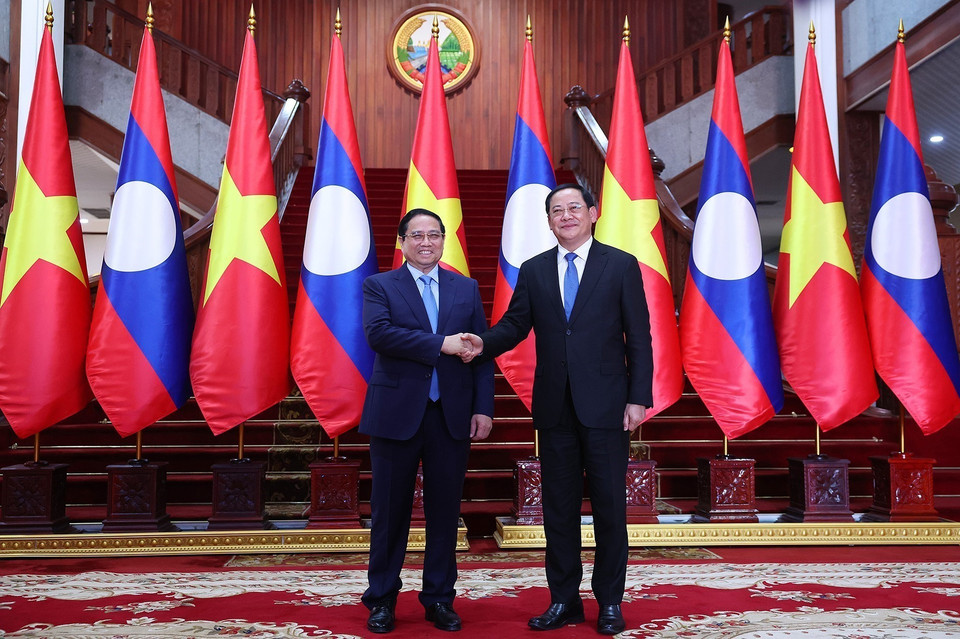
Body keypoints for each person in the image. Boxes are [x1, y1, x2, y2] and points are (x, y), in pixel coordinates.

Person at [460, 184, 652, 635]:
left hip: (607, 407)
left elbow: (639, 336)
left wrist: (638, 396)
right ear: (548, 220)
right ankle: (564, 600)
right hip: (554, 408)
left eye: (573, 208)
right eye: (556, 211)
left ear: (592, 212)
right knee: (558, 511)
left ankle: (609, 602)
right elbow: (513, 325)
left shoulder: (620, 265)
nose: (565, 216)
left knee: (609, 509)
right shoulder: (535, 269)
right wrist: (479, 344)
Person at [359, 208, 495, 634]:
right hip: (396, 416)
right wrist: (442, 344)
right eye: (416, 235)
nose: (425, 242)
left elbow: (480, 352)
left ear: (443, 240)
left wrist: (483, 407)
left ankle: (439, 599)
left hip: (450, 416)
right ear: (402, 241)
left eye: (434, 235)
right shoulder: (379, 285)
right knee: (389, 514)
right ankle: (381, 600)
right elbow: (379, 335)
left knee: (444, 513)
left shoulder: (465, 288)